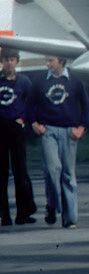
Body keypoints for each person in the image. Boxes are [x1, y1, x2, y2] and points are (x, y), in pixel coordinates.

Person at [30, 55, 89, 229]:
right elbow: (30, 105)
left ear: (61, 62)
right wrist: (34, 123)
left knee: (68, 175)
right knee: (52, 169)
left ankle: (70, 218)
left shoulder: (74, 80)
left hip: (69, 130)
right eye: (46, 60)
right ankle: (52, 204)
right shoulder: (40, 80)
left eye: (51, 61)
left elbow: (86, 105)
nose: (47, 64)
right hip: (48, 130)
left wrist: (82, 127)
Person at [0, 48, 37, 226]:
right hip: (0, 129)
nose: (9, 63)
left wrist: (24, 120)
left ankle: (24, 212)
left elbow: (31, 103)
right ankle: (3, 215)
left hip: (17, 129)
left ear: (17, 61)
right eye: (6, 59)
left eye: (12, 59)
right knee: (1, 174)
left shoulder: (24, 82)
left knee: (21, 172)